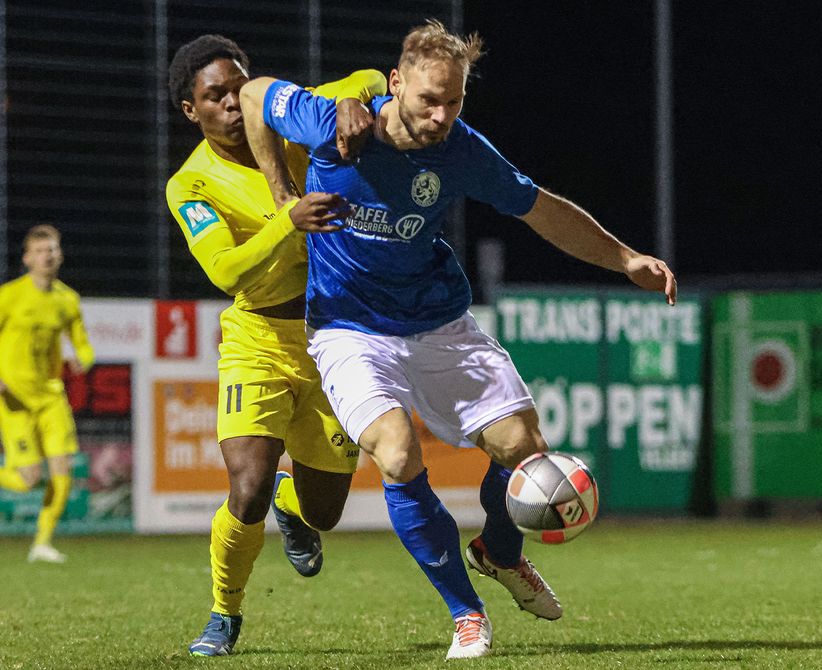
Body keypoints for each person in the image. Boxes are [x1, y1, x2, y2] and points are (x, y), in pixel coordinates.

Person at [241, 19, 678, 660]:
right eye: (428, 100)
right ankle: (466, 613)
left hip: (439, 322)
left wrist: (625, 258)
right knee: (396, 454)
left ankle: (499, 553)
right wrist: (284, 199)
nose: (441, 114)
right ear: (396, 84)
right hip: (350, 328)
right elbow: (253, 95)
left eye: (454, 102)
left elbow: (539, 206)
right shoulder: (330, 122)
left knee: (527, 453)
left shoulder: (461, 148)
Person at [165, 34, 385, 656]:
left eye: (239, 88)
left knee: (326, 511)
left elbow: (367, 75)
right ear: (192, 110)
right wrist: (286, 223)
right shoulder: (190, 186)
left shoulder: (289, 119)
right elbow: (228, 271)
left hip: (332, 336)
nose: (234, 103)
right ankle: (223, 614)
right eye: (216, 96)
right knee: (248, 485)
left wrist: (356, 101)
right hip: (257, 336)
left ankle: (298, 506)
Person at [0, 224, 95, 564]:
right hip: (14, 400)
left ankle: (42, 543)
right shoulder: (9, 296)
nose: (48, 255)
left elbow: (82, 342)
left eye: (52, 249)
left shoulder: (67, 300)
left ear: (60, 255)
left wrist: (83, 359)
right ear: (27, 258)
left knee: (63, 470)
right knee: (28, 480)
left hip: (52, 396)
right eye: (40, 251)